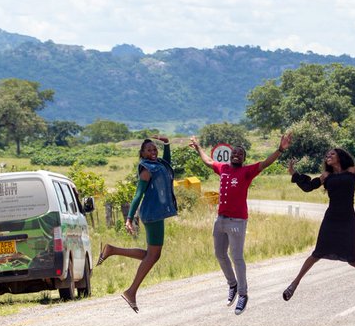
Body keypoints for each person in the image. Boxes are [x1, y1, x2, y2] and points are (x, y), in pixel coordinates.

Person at [189, 131, 293, 315]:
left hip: (237, 221)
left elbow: (265, 163)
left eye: (240, 154)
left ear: (243, 159)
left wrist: (280, 150)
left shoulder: (246, 172)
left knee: (237, 257)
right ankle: (233, 284)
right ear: (230, 155)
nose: (236, 155)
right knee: (220, 254)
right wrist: (198, 148)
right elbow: (208, 161)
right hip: (220, 220)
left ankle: (243, 294)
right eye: (234, 153)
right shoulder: (223, 168)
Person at [282, 147, 355, 302]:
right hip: (331, 219)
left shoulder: (352, 170)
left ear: (340, 157)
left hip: (347, 218)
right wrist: (293, 173)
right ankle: (294, 284)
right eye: (326, 154)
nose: (328, 156)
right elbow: (308, 187)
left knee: (351, 258)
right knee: (316, 254)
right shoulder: (326, 175)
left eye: (332, 154)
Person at [95, 136, 177, 312]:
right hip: (152, 214)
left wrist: (167, 144)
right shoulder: (146, 169)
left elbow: (168, 165)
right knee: (153, 256)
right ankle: (131, 291)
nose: (153, 152)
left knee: (152, 255)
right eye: (149, 150)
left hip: (157, 214)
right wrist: (129, 218)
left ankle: (112, 250)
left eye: (154, 149)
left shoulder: (159, 164)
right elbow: (138, 195)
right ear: (142, 153)